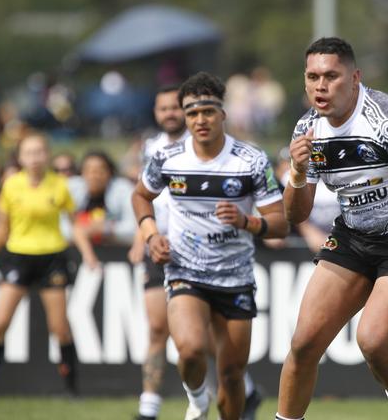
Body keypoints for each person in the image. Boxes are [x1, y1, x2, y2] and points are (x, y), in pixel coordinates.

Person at [276, 37, 388, 420]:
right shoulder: (307, 129)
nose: (320, 86)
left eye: (331, 76)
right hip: (352, 235)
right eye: (312, 77)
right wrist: (296, 172)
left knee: (374, 342)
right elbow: (296, 215)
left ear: (355, 78)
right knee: (304, 344)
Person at [132, 72, 288, 420]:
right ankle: (198, 399)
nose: (199, 120)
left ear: (223, 113)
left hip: (235, 277)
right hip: (185, 270)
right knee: (190, 351)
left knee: (232, 376)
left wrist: (246, 221)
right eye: (191, 113)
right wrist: (151, 235)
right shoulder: (168, 157)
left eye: (207, 111)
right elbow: (141, 196)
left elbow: (280, 222)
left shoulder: (251, 160)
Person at [0, 132, 99, 400]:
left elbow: (74, 224)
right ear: (21, 157)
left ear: (47, 155)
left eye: (39, 152)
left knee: (59, 327)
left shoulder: (59, 185)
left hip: (52, 258)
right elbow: (3, 225)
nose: (35, 158)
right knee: (0, 323)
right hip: (18, 256)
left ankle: (72, 389)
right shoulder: (12, 185)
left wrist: (88, 254)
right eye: (29, 153)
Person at [127, 84, 189, 420]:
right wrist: (144, 235)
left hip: (195, 249)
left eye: (175, 108)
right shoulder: (150, 148)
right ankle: (148, 407)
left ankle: (239, 391)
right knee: (156, 327)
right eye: (163, 108)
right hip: (157, 245)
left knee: (198, 336)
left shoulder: (200, 146)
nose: (169, 114)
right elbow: (142, 194)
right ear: (155, 112)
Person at [67, 150, 136, 245]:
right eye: (89, 171)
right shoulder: (71, 188)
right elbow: (60, 227)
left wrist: (106, 229)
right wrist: (82, 231)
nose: (94, 176)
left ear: (110, 172)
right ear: (81, 173)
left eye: (100, 171)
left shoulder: (123, 189)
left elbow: (133, 227)